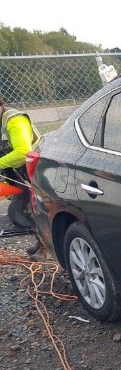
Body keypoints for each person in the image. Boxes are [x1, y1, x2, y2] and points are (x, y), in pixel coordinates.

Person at [0, 95, 43, 257]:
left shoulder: (14, 121)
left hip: (38, 163)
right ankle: (42, 242)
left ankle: (45, 247)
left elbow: (22, 152)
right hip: (23, 166)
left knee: (40, 206)